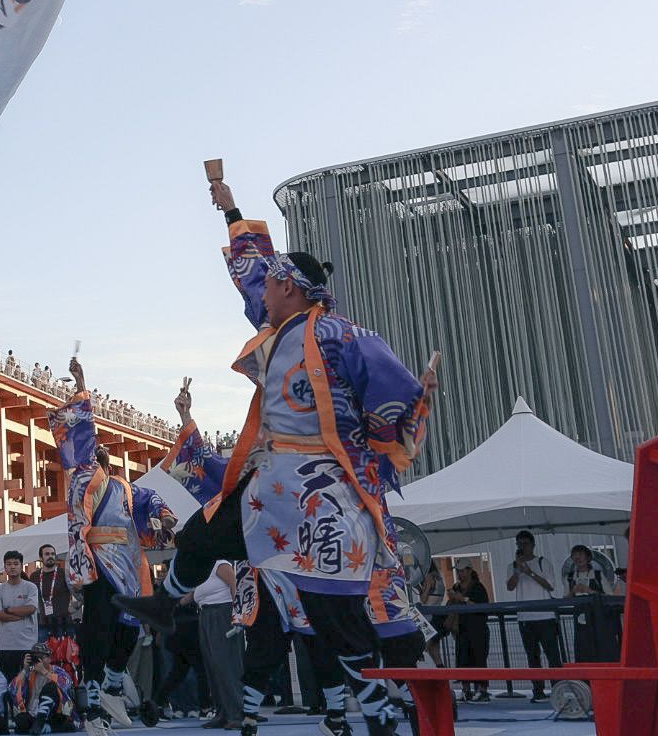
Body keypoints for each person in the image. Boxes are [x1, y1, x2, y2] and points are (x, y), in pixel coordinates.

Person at [116, 180, 429, 736]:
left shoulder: (339, 334)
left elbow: (396, 392)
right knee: (203, 531)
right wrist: (229, 208)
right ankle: (166, 603)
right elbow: (252, 270)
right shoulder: (276, 332)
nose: (264, 290)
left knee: (332, 614)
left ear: (291, 286)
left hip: (323, 488)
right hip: (273, 482)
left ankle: (380, 711)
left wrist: (388, 433)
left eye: (274, 283)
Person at [49, 357, 175, 732]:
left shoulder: (124, 487)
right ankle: (93, 699)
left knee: (129, 629)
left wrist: (165, 517)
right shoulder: (86, 477)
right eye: (94, 451)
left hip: (130, 565)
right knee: (98, 627)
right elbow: (85, 430)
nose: (96, 452)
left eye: (99, 452)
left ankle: (113, 686)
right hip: (99, 560)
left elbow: (151, 498)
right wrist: (81, 381)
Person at [506, 530, 561, 702]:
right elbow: (510, 587)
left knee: (552, 655)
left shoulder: (543, 562)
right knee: (532, 656)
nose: (522, 547)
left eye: (525, 544)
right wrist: (517, 570)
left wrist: (529, 572)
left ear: (532, 544)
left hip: (545, 616)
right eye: (519, 544)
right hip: (525, 618)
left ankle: (558, 688)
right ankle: (538, 689)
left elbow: (551, 586)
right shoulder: (512, 566)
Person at [191, 561, 243, 730]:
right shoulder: (200, 567)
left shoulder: (219, 563)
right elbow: (193, 594)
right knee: (212, 666)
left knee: (226, 664)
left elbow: (234, 584)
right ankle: (222, 712)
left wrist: (238, 614)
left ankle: (237, 714)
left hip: (222, 612)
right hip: (205, 613)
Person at [0, 554, 38, 682]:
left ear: (21, 566)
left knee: (27, 683)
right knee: (6, 683)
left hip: (27, 644)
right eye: (9, 564)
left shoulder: (30, 587)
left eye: (16, 563)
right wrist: (18, 615)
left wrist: (8, 610)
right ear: (4, 567)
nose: (12, 567)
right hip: (5, 645)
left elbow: (30, 609)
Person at [446, 566, 489, 703]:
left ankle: (482, 690)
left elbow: (482, 607)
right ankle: (466, 690)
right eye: (458, 571)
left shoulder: (478, 587)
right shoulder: (456, 587)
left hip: (477, 628)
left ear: (470, 571)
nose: (459, 573)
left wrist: (463, 599)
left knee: (479, 658)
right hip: (461, 629)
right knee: (462, 658)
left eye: (462, 570)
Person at [26, 547, 72, 674]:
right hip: (43, 623)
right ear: (41, 558)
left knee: (65, 658)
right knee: (42, 657)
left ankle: (65, 681)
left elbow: (76, 592)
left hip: (63, 623)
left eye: (53, 554)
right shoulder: (34, 576)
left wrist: (75, 606)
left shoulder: (64, 573)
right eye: (47, 554)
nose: (50, 556)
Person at [8, 647, 72, 736]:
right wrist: (24, 670)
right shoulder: (29, 673)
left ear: (49, 659)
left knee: (50, 687)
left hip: (53, 714)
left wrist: (44, 671)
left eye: (41, 656)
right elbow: (12, 688)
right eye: (35, 656)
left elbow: (66, 684)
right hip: (33, 714)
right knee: (21, 721)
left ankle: (41, 723)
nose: (38, 660)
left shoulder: (57, 670)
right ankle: (44, 727)